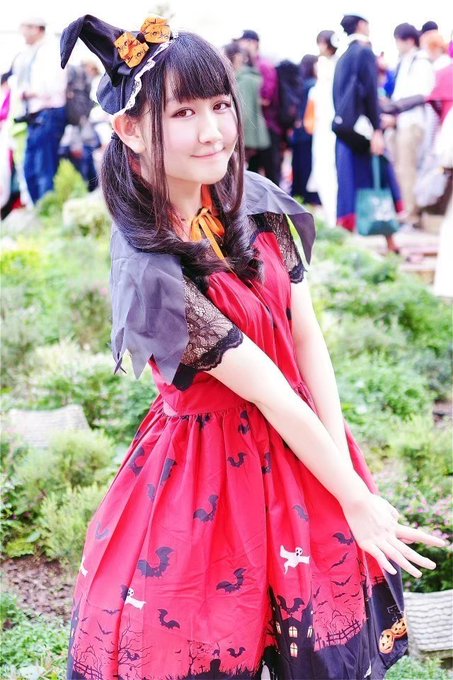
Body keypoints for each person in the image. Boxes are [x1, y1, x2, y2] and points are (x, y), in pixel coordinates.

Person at [60, 14, 445, 679]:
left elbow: (306, 337)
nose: (212, 130)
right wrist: (350, 497)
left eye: (219, 105)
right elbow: (266, 387)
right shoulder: (151, 270)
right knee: (208, 635)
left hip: (302, 443)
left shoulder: (250, 200)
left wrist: (346, 479)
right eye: (182, 113)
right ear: (129, 130)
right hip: (209, 470)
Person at [333, 13, 402, 252]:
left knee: (350, 185)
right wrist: (377, 130)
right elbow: (371, 94)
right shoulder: (364, 52)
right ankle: (391, 243)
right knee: (378, 180)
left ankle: (344, 247)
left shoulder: (343, 57)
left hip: (346, 132)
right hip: (365, 132)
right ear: (362, 26)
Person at [12, 16, 67, 203]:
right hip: (35, 117)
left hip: (48, 114)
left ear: (37, 28)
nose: (23, 32)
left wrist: (27, 93)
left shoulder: (50, 50)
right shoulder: (30, 52)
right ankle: (40, 209)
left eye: (26, 27)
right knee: (30, 169)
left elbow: (54, 87)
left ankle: (46, 210)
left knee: (44, 169)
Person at [391, 23, 435, 229]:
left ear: (408, 40)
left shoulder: (421, 61)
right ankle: (411, 211)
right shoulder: (407, 61)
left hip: (413, 122)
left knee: (408, 169)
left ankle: (413, 213)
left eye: (398, 41)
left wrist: (395, 108)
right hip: (404, 121)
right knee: (403, 168)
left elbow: (422, 94)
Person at [237, 29, 283, 185]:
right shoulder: (251, 64)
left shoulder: (263, 65)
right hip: (255, 127)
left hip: (268, 126)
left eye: (243, 41)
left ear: (253, 43)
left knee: (271, 172)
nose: (241, 45)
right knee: (253, 172)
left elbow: (266, 99)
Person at [305, 30, 339, 227]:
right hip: (328, 127)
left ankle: (331, 216)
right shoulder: (336, 64)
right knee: (328, 170)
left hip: (325, 128)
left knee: (326, 170)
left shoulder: (326, 66)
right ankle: (331, 215)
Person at [223, 42, 270, 166]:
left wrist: (237, 136)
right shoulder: (248, 76)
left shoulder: (244, 79)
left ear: (237, 57)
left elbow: (245, 111)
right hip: (251, 135)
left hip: (246, 137)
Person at [290, 54, 320, 204]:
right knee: (308, 164)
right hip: (309, 131)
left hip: (297, 132)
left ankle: (298, 194)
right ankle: (309, 197)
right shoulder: (314, 85)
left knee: (298, 164)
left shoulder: (299, 83)